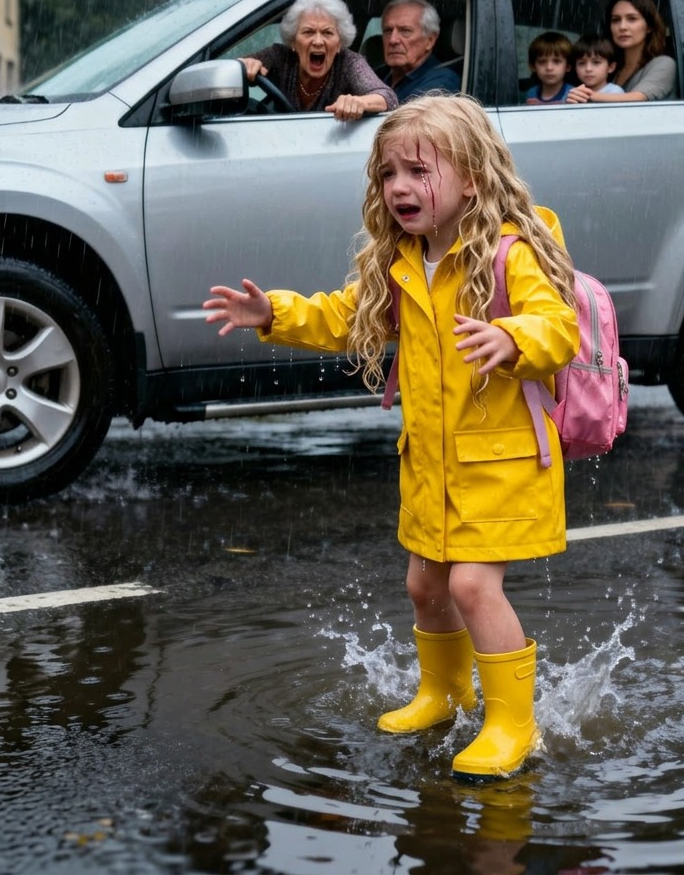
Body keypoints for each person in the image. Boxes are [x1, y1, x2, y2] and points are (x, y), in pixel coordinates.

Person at [203, 94, 579, 781]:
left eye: (418, 171)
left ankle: (513, 725)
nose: (400, 187)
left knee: (472, 586)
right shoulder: (400, 261)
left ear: (473, 177)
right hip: (433, 464)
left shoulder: (506, 254)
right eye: (387, 174)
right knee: (423, 585)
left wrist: (510, 334)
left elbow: (559, 326)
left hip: (503, 459)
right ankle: (444, 692)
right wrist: (272, 314)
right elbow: (343, 318)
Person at [240, 0, 398, 119]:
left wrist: (359, 102)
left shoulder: (349, 63)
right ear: (293, 41)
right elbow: (231, 70)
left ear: (339, 44)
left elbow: (388, 97)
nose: (318, 41)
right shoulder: (280, 56)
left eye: (327, 33)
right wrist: (245, 66)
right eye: (308, 32)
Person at [567, 0, 677, 103]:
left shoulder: (663, 63)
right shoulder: (613, 65)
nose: (622, 27)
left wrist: (585, 95)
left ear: (649, 26)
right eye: (616, 20)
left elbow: (638, 98)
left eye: (632, 19)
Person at [376, 0, 461, 102]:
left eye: (405, 31)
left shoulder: (442, 81)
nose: (393, 40)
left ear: (429, 41)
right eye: (388, 31)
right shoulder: (377, 75)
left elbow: (407, 117)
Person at [524, 31, 573, 104]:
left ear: (568, 67)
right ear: (533, 66)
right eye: (542, 62)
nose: (549, 68)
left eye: (556, 61)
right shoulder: (531, 94)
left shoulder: (573, 95)